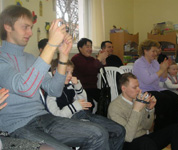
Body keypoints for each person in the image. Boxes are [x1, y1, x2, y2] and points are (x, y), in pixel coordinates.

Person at [0, 5, 112, 150]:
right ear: (8, 27)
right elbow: (25, 88)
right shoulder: (2, 59)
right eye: (25, 27)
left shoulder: (31, 58)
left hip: (43, 118)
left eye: (31, 28)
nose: (30, 32)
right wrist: (51, 45)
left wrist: (63, 55)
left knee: (99, 133)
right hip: (16, 126)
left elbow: (55, 90)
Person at [45, 60, 125, 150]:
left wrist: (77, 86)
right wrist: (74, 107)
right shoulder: (50, 92)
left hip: (82, 115)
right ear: (55, 73)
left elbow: (83, 101)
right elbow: (56, 116)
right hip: (68, 121)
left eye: (71, 72)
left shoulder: (69, 86)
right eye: (67, 72)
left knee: (119, 130)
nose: (70, 76)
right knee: (102, 134)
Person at [108, 73, 178, 150]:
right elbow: (128, 137)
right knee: (146, 143)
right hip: (126, 144)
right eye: (134, 87)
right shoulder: (115, 107)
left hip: (144, 139)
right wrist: (136, 110)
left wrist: (149, 109)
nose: (139, 90)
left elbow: (147, 127)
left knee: (177, 129)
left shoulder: (138, 99)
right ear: (123, 88)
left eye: (138, 86)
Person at [133, 39, 178, 131]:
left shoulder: (154, 62)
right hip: (144, 91)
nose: (155, 53)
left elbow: (163, 78)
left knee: (175, 97)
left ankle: (174, 127)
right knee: (164, 100)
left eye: (156, 51)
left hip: (156, 89)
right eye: (153, 51)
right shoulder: (139, 63)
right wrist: (161, 70)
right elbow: (147, 80)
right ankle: (161, 129)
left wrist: (165, 68)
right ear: (145, 51)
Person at [71, 38, 108, 111]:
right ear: (80, 48)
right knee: (90, 103)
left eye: (91, 46)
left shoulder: (91, 59)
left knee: (105, 99)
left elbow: (101, 71)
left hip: (92, 88)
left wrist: (103, 62)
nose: (90, 49)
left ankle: (101, 117)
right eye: (87, 46)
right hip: (81, 88)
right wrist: (99, 59)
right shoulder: (76, 58)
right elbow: (88, 70)